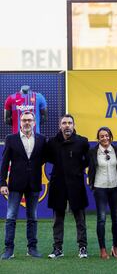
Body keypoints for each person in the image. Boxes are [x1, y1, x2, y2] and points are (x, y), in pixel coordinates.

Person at [0, 111, 46, 259]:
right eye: (24, 120)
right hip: (15, 184)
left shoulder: (41, 139)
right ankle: (8, 250)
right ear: (20, 122)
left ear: (34, 122)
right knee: (11, 217)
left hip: (33, 183)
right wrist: (2, 183)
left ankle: (32, 248)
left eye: (30, 120)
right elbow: (4, 162)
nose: (27, 123)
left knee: (32, 217)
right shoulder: (11, 139)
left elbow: (43, 159)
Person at [46, 114, 90, 259]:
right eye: (64, 123)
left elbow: (88, 161)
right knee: (58, 220)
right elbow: (49, 159)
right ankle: (57, 248)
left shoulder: (82, 142)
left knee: (80, 219)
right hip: (58, 184)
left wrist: (77, 170)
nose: (67, 126)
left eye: (69, 123)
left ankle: (82, 248)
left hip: (76, 185)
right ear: (60, 126)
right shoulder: (52, 142)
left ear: (74, 125)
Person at [88, 127, 117, 259]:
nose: (105, 138)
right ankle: (102, 250)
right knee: (101, 219)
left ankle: (115, 248)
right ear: (98, 138)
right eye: (102, 136)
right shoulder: (92, 152)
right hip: (100, 188)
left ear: (111, 136)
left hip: (115, 188)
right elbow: (89, 168)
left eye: (107, 135)